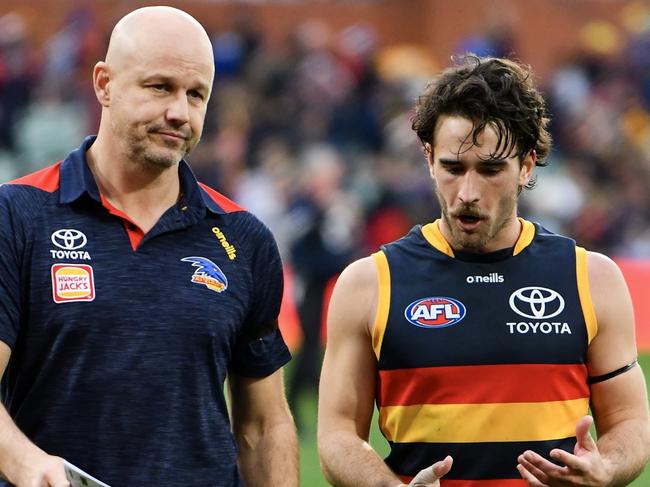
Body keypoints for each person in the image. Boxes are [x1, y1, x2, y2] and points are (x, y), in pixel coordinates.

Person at [317, 55, 650, 487]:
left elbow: (630, 421)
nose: (468, 193)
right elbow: (337, 433)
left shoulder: (591, 279)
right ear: (429, 158)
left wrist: (606, 467)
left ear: (526, 167)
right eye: (453, 168)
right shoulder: (368, 284)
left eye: (491, 169)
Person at [0, 6, 298, 487]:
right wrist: (26, 463)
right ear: (104, 84)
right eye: (160, 87)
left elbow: (263, 427)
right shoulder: (17, 216)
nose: (179, 112)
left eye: (196, 95)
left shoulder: (244, 238)